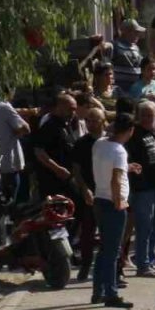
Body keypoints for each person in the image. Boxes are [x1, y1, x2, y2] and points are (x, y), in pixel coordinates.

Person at [91, 112, 136, 308]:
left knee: (104, 249)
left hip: (99, 199)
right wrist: (119, 201)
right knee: (112, 251)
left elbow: (107, 167)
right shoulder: (119, 150)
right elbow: (116, 179)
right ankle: (111, 293)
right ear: (130, 131)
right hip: (112, 202)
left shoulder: (100, 143)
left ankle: (98, 291)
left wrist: (127, 167)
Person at [126, 101, 155, 277]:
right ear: (138, 116)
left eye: (151, 115)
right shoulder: (134, 133)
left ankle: (149, 258)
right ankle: (143, 265)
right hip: (142, 187)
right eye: (144, 114)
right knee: (144, 227)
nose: (147, 118)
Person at [71, 107, 106, 281]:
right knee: (87, 231)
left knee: (110, 232)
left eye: (95, 120)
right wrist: (84, 188)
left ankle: (112, 267)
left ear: (103, 121)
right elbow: (76, 169)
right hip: (89, 192)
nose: (91, 123)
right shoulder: (82, 143)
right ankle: (85, 265)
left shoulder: (110, 141)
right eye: (89, 120)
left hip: (108, 191)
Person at [0, 92, 31, 203]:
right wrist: (15, 132)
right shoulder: (4, 106)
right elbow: (26, 129)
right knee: (9, 202)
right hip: (8, 163)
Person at [32, 93, 78, 200]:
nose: (73, 113)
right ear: (59, 107)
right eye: (70, 109)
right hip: (52, 180)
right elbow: (39, 151)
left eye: (75, 109)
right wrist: (57, 169)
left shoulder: (66, 125)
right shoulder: (50, 125)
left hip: (66, 178)